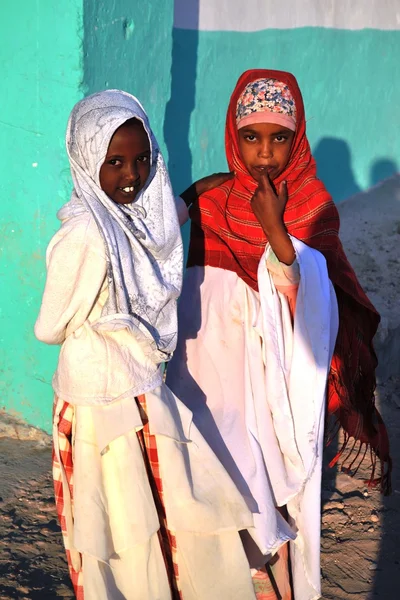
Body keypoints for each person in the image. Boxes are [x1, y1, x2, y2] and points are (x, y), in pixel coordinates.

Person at [166, 70, 391, 600]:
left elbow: (318, 303)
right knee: (213, 477)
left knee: (267, 487)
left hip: (274, 379)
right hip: (209, 370)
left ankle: (274, 581)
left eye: (279, 137)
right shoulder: (216, 199)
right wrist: (192, 190)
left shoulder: (311, 205)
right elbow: (160, 233)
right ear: (232, 135)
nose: (264, 154)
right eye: (251, 137)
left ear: (299, 137)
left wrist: (274, 231)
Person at [34, 89, 259, 600]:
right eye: (114, 162)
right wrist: (113, 322)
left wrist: (194, 193)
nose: (132, 175)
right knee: (119, 529)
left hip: (137, 394)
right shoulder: (87, 234)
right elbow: (49, 328)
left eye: (140, 160)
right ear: (88, 161)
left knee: (145, 521)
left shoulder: (124, 216)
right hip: (100, 409)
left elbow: (154, 234)